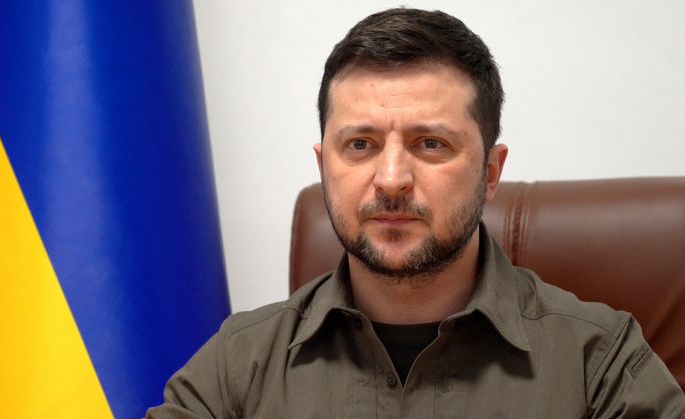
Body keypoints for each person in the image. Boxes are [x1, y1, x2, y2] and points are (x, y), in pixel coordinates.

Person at [146, 8, 685, 418]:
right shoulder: (236, 369)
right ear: (324, 166)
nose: (391, 179)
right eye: (360, 144)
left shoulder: (601, 366)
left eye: (430, 144)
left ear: (490, 172)